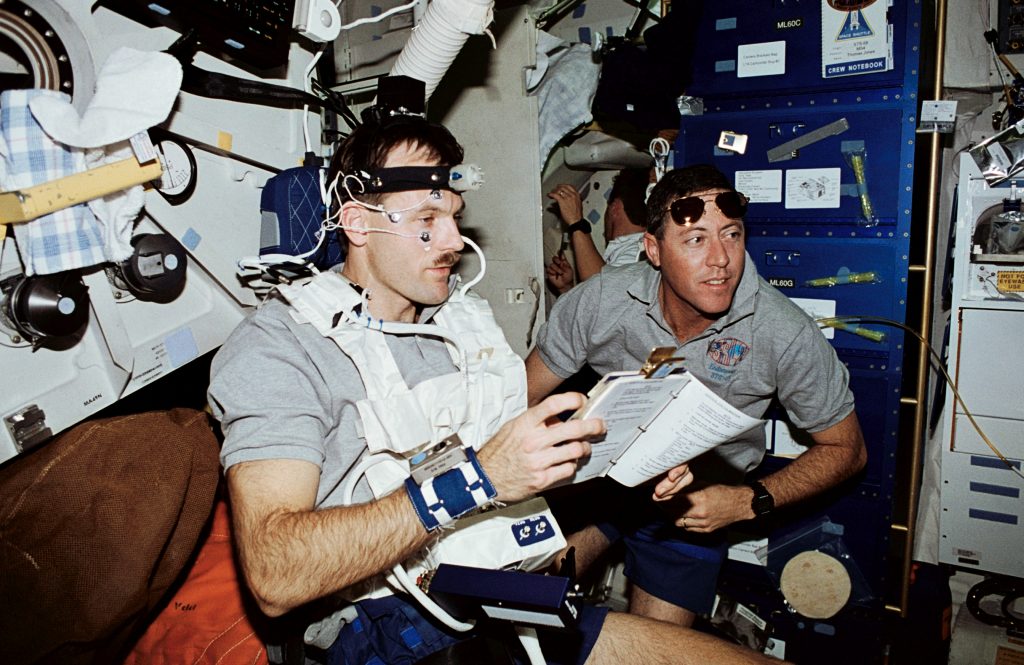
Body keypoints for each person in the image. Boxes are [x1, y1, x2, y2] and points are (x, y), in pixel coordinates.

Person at [208, 115, 785, 665]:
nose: (455, 240)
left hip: (509, 592)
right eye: (428, 221)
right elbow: (275, 575)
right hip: (395, 628)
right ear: (358, 224)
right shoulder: (280, 348)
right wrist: (477, 479)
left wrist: (626, 454)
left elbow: (512, 463)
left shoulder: (462, 321)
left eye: (455, 216)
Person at [526, 163, 868, 628]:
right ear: (654, 250)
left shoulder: (782, 332)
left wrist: (749, 501)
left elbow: (847, 450)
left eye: (731, 234)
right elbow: (521, 397)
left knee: (655, 650)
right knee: (521, 598)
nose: (721, 259)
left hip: (696, 504)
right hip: (599, 481)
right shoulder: (600, 300)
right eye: (695, 240)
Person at [546, 167, 649, 294]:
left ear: (614, 208)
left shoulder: (636, 255)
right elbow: (603, 309)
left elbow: (602, 294)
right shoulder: (634, 252)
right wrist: (567, 288)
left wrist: (576, 221)